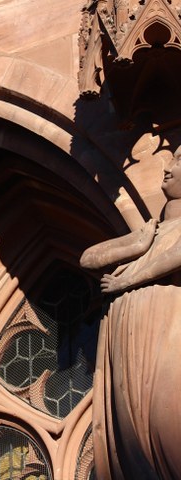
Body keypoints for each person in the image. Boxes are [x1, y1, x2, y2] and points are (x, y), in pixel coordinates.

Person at [80, 145, 181, 479]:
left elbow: (175, 258)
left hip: (164, 324)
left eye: (180, 162)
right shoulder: (149, 233)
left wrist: (131, 278)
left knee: (164, 427)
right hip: (127, 335)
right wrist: (137, 246)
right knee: (129, 438)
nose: (167, 167)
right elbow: (89, 258)